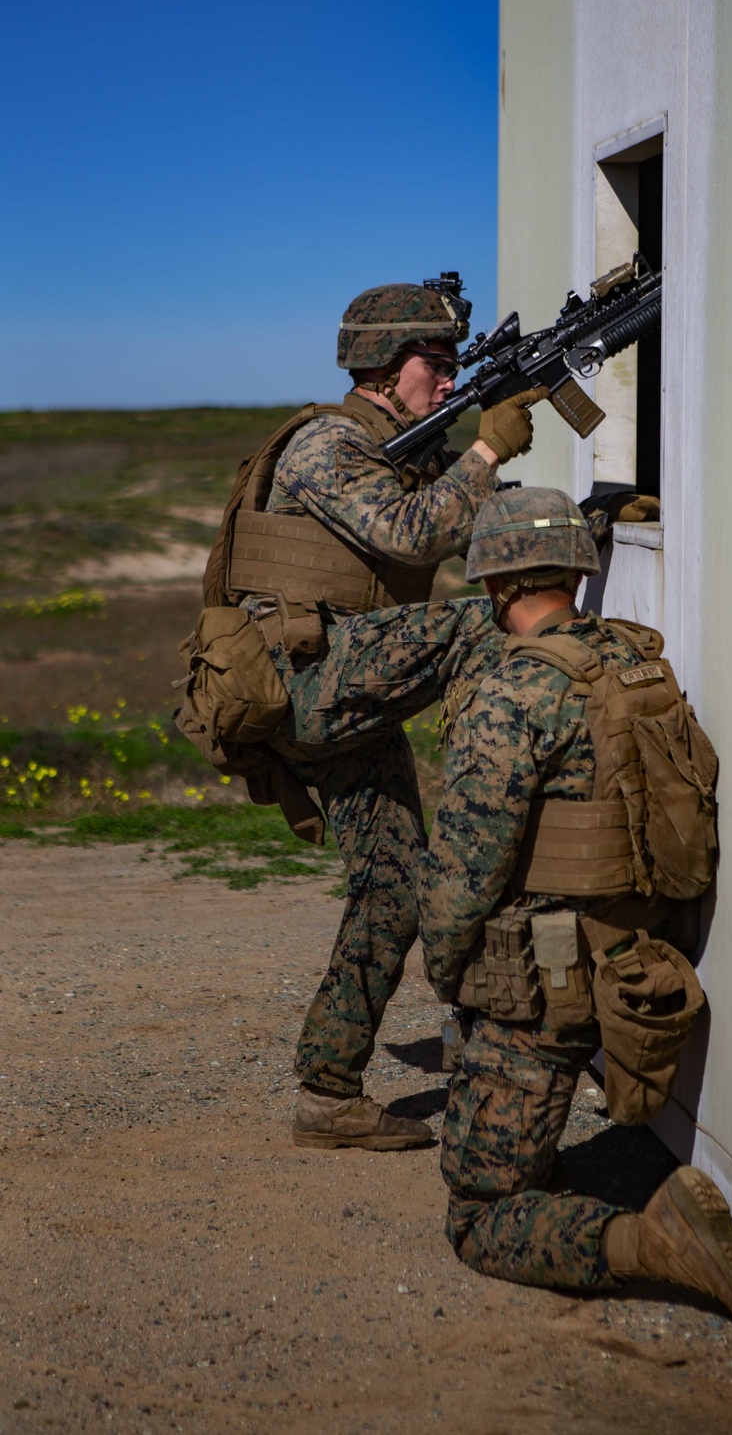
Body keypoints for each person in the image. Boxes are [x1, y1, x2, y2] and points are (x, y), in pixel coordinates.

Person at [419, 487, 732, 1340]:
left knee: (480, 1212)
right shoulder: (638, 663)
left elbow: (461, 874)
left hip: (540, 986)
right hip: (639, 957)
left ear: (497, 583)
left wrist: (447, 969)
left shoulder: (515, 689)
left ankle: (651, 1240)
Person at [216, 277, 544, 1151]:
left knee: (394, 887)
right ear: (380, 367)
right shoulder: (327, 444)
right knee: (486, 623)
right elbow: (412, 533)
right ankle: (505, 782)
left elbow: (464, 526)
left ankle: (328, 1091)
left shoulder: (397, 444)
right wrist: (483, 452)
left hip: (346, 682)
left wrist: (575, 524)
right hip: (309, 682)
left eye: (448, 364)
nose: (446, 379)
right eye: (431, 364)